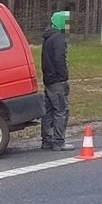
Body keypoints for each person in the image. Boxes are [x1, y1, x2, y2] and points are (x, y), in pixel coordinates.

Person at [41, 10, 75, 151]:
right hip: (57, 81)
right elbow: (59, 59)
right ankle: (59, 141)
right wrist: (64, 76)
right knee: (61, 110)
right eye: (67, 22)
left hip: (48, 79)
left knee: (48, 111)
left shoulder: (47, 38)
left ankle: (46, 140)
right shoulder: (59, 38)